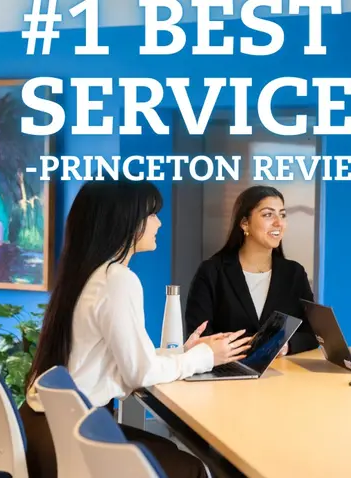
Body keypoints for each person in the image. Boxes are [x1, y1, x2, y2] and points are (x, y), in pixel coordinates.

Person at [19, 180, 251, 478]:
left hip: (45, 431)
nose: (158, 222)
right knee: (193, 467)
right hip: (67, 442)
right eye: (151, 215)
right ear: (126, 222)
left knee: (176, 455)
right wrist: (205, 357)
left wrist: (183, 352)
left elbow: (121, 356)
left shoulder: (89, 275)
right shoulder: (118, 280)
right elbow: (139, 373)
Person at [184, 185, 320, 356]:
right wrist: (247, 346)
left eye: (282, 215)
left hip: (283, 377)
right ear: (244, 223)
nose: (279, 223)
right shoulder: (212, 271)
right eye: (268, 215)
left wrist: (285, 346)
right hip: (227, 374)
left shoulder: (294, 273)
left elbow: (313, 334)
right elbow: (198, 335)